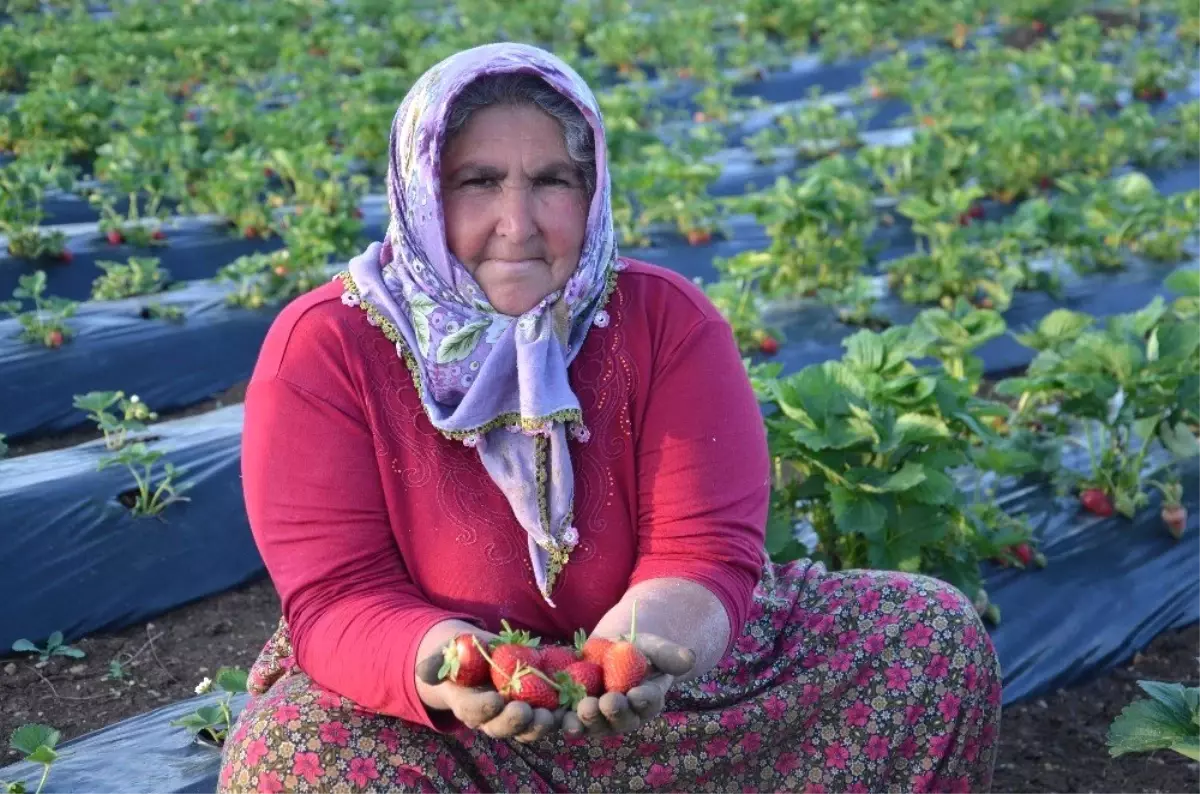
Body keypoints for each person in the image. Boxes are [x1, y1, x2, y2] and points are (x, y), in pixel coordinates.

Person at [220, 42, 1001, 793]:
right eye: (478, 181)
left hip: (667, 703)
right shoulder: (329, 346)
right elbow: (340, 595)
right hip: (448, 728)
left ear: (592, 192)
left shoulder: (662, 322)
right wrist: (455, 665)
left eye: (552, 180)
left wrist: (641, 651)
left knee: (928, 633)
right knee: (298, 759)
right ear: (421, 188)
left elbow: (702, 552)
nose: (518, 223)